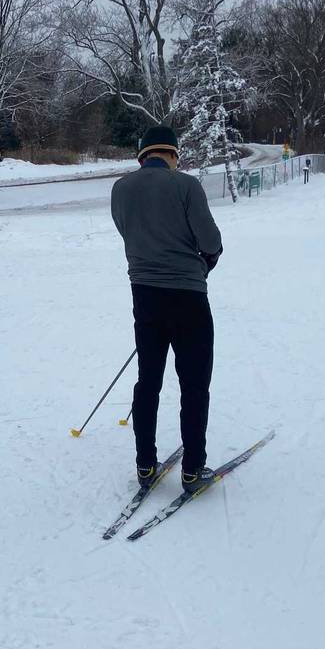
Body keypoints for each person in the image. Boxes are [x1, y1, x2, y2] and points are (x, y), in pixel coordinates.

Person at [110, 126, 223, 496]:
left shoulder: (121, 189)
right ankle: (193, 470)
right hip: (188, 296)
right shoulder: (186, 186)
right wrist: (204, 262)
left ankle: (146, 464)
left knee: (149, 380)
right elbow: (210, 241)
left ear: (142, 155)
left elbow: (128, 233)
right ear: (172, 154)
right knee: (194, 384)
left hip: (144, 295)